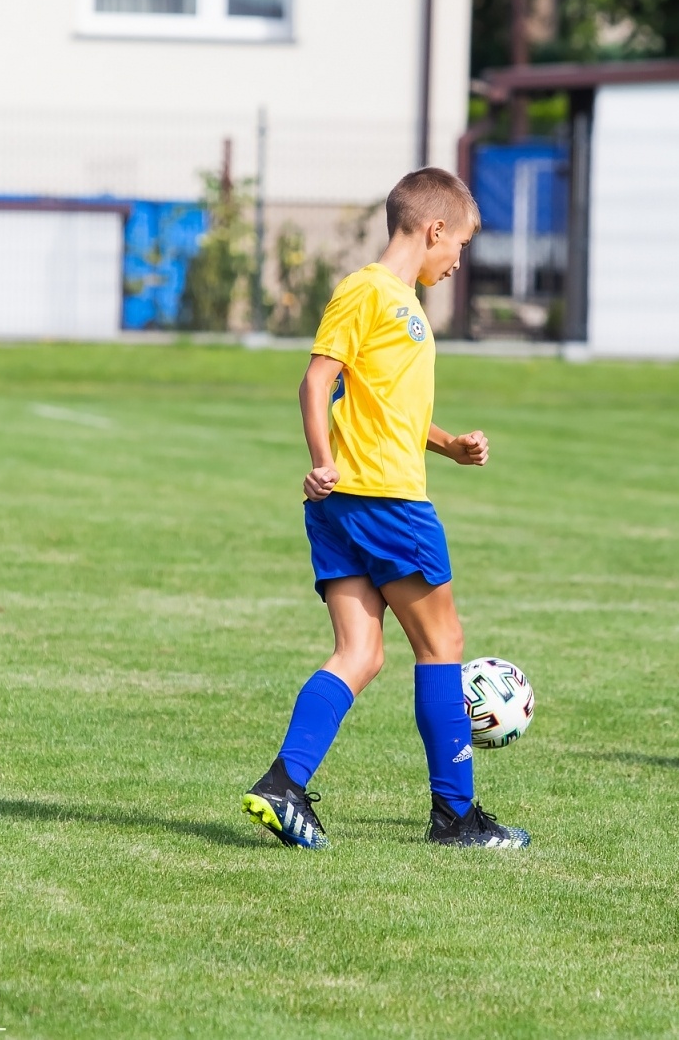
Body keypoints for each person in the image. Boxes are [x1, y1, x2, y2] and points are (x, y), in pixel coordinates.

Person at [240, 167, 529, 850]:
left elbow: (379, 404)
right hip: (385, 500)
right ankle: (455, 817)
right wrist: (320, 458)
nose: (459, 259)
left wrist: (447, 444)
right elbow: (318, 381)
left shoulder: (401, 304)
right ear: (433, 230)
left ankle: (284, 784)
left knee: (361, 652)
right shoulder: (369, 290)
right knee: (441, 644)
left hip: (345, 505)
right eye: (459, 243)